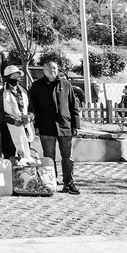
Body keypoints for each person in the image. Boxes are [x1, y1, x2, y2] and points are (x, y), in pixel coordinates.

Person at [29, 59, 81, 194]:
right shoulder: (37, 86)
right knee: (49, 157)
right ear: (44, 70)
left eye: (55, 68)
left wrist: (76, 125)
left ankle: (69, 183)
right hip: (46, 126)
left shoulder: (66, 84)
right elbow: (33, 106)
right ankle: (51, 182)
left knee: (67, 157)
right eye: (50, 68)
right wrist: (35, 125)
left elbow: (73, 105)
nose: (52, 71)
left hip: (65, 125)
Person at [0, 65, 34, 158]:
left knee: (25, 155)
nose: (17, 79)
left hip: (24, 128)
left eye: (18, 76)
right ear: (7, 78)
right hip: (8, 129)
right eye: (14, 76)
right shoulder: (1, 93)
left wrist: (29, 117)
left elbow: (31, 108)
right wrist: (13, 121)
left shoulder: (24, 91)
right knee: (10, 156)